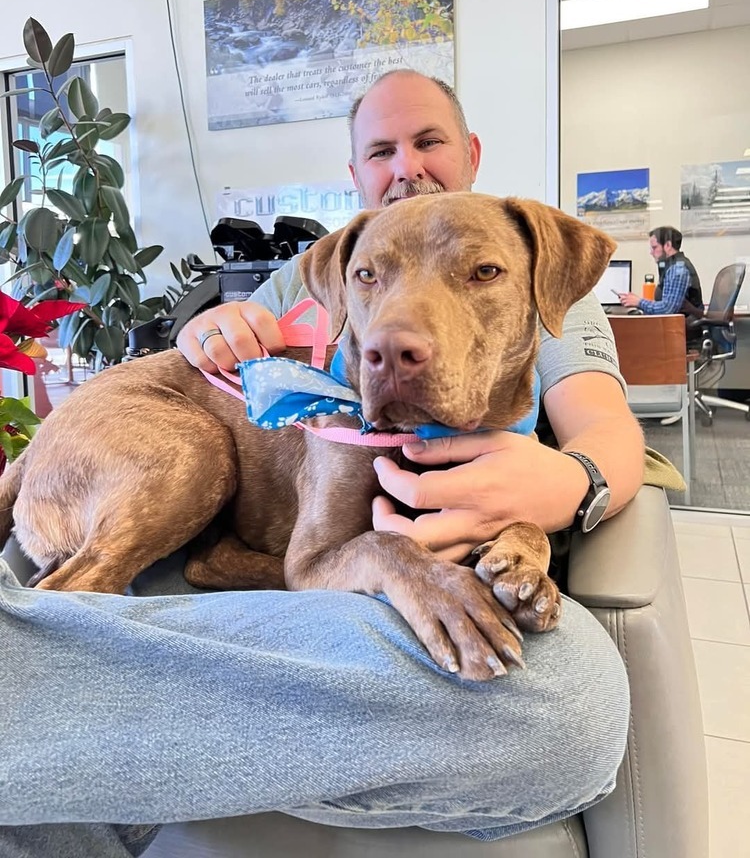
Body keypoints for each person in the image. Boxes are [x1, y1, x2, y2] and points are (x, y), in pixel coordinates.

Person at [0, 70, 640, 857]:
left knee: (568, 701)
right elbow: (228, 362)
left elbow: (607, 431)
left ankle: (46, 686)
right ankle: (60, 638)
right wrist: (213, 330)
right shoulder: (335, 266)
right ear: (355, 180)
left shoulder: (538, 257)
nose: (406, 162)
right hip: (154, 494)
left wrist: (568, 485)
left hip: (239, 577)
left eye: (428, 140)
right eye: (380, 149)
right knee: (563, 709)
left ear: (470, 152)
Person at [617, 225, 704, 321]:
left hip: (681, 329)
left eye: (654, 247)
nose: (651, 252)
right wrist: (637, 301)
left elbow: (668, 309)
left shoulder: (677, 270)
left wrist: (639, 302)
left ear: (668, 245)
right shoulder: (671, 266)